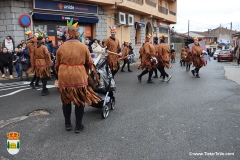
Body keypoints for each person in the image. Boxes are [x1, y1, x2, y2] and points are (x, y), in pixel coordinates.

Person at [55, 18, 101, 133]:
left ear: (68, 35)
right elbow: (89, 63)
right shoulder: (83, 47)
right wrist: (84, 71)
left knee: (66, 101)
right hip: (78, 76)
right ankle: (78, 125)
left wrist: (60, 74)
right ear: (77, 34)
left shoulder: (61, 47)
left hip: (64, 77)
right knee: (79, 101)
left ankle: (67, 124)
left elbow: (56, 65)